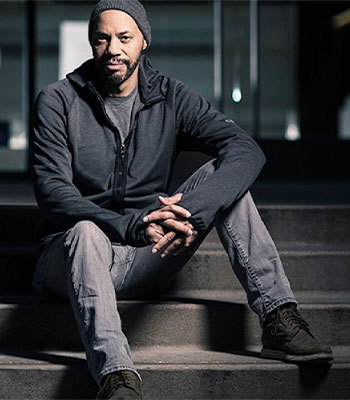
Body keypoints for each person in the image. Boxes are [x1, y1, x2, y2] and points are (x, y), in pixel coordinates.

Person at [31, 0, 333, 399]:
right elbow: (53, 192)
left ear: (143, 41)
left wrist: (193, 209)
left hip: (147, 256)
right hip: (70, 257)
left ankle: (278, 316)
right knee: (86, 232)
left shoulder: (171, 97)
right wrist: (129, 224)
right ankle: (117, 376)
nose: (113, 49)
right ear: (91, 42)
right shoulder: (57, 101)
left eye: (125, 37)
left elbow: (245, 150)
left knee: (227, 187)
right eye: (102, 38)